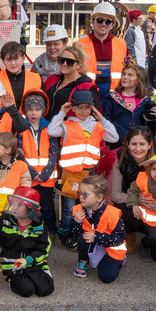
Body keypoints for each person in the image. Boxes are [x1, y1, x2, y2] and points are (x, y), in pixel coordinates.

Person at [47, 89, 117, 246]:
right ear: (72, 107)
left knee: (85, 205)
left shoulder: (97, 126)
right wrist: (61, 114)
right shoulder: (67, 124)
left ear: (92, 108)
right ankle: (65, 231)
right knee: (69, 207)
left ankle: (80, 229)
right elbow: (51, 131)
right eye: (79, 107)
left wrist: (102, 119)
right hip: (70, 174)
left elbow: (114, 137)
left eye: (87, 107)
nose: (83, 111)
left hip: (89, 175)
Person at [0, 186, 54, 297]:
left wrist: (29, 259)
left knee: (46, 289)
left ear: (30, 208)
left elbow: (44, 249)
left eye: (19, 205)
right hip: (13, 263)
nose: (14, 207)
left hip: (32, 262)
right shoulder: (5, 220)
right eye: (13, 203)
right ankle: (10, 278)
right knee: (27, 290)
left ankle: (34, 275)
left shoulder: (39, 226)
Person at [18, 89, 60, 240]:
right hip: (29, 177)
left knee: (48, 206)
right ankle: (34, 230)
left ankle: (51, 230)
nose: (34, 113)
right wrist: (33, 174)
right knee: (30, 206)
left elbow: (54, 152)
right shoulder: (21, 128)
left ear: (43, 110)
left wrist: (45, 174)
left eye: (37, 109)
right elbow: (20, 154)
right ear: (25, 111)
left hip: (47, 178)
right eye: (30, 109)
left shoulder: (50, 127)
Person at [71, 175, 127, 283]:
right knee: (83, 238)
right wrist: (76, 223)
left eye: (85, 194)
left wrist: (97, 237)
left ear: (99, 198)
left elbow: (120, 238)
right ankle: (83, 261)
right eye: (80, 193)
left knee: (106, 277)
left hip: (112, 247)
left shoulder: (113, 213)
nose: (81, 197)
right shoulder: (78, 210)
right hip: (93, 243)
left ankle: (120, 260)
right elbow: (72, 236)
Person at [77, 1, 129, 101]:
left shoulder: (121, 44)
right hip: (88, 93)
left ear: (113, 24)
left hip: (115, 94)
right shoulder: (81, 43)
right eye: (99, 20)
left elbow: (129, 68)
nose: (103, 24)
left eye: (108, 21)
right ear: (93, 21)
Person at [103, 63, 156, 141]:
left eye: (130, 75)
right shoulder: (112, 98)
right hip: (117, 143)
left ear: (139, 80)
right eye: (124, 74)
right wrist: (123, 134)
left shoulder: (145, 100)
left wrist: (146, 137)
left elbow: (153, 122)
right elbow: (106, 120)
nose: (125, 77)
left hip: (138, 145)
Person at [44, 43, 99, 116]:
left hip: (70, 126)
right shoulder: (52, 79)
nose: (64, 64)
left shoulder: (87, 87)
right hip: (47, 125)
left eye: (70, 62)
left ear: (78, 65)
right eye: (61, 60)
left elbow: (93, 116)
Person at [0, 41, 41, 107]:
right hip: (2, 117)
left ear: (23, 59)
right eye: (8, 59)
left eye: (16, 59)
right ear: (3, 60)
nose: (13, 63)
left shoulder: (37, 79)